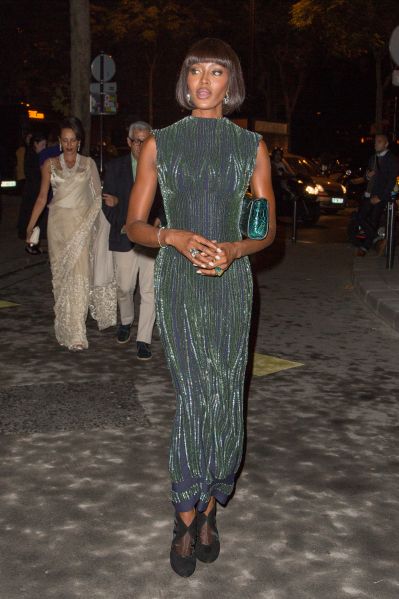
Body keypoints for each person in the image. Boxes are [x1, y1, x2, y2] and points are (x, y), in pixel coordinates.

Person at [125, 38, 276, 577]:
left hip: (232, 283)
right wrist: (174, 236)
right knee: (194, 395)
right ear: (185, 80)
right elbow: (134, 224)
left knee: (226, 394)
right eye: (196, 72)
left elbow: (265, 229)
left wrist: (235, 249)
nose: (205, 81)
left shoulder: (251, 147)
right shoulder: (159, 144)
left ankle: (212, 501)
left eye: (217, 72)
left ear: (230, 83)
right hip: (181, 283)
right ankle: (184, 510)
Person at [26, 116, 116, 350]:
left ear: (79, 142)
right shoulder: (50, 164)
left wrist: (102, 220)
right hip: (58, 227)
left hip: (82, 225)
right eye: (64, 140)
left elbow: (97, 196)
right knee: (62, 278)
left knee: (81, 276)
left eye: (73, 140)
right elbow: (42, 197)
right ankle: (65, 324)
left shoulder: (88, 164)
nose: (68, 144)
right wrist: (30, 226)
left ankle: (77, 332)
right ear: (59, 141)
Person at [102, 121, 160, 360]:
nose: (141, 145)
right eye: (137, 140)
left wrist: (159, 219)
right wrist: (124, 222)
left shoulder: (160, 168)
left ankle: (143, 339)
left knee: (149, 291)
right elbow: (107, 203)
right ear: (128, 142)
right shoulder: (116, 168)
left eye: (146, 140)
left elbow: (166, 202)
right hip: (124, 236)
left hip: (150, 238)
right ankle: (126, 321)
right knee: (124, 287)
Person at [355, 134, 398, 257]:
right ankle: (374, 239)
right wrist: (367, 176)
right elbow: (367, 175)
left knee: (370, 220)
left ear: (386, 144)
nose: (376, 144)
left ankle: (364, 247)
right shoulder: (373, 158)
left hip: (380, 196)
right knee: (360, 218)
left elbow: (391, 181)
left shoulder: (392, 160)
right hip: (369, 193)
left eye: (379, 142)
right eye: (375, 142)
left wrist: (380, 197)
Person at [17, 132, 47, 239]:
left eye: (45, 145)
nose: (44, 147)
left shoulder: (36, 155)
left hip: (33, 188)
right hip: (32, 189)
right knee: (29, 212)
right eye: (42, 145)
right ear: (36, 144)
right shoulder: (32, 155)